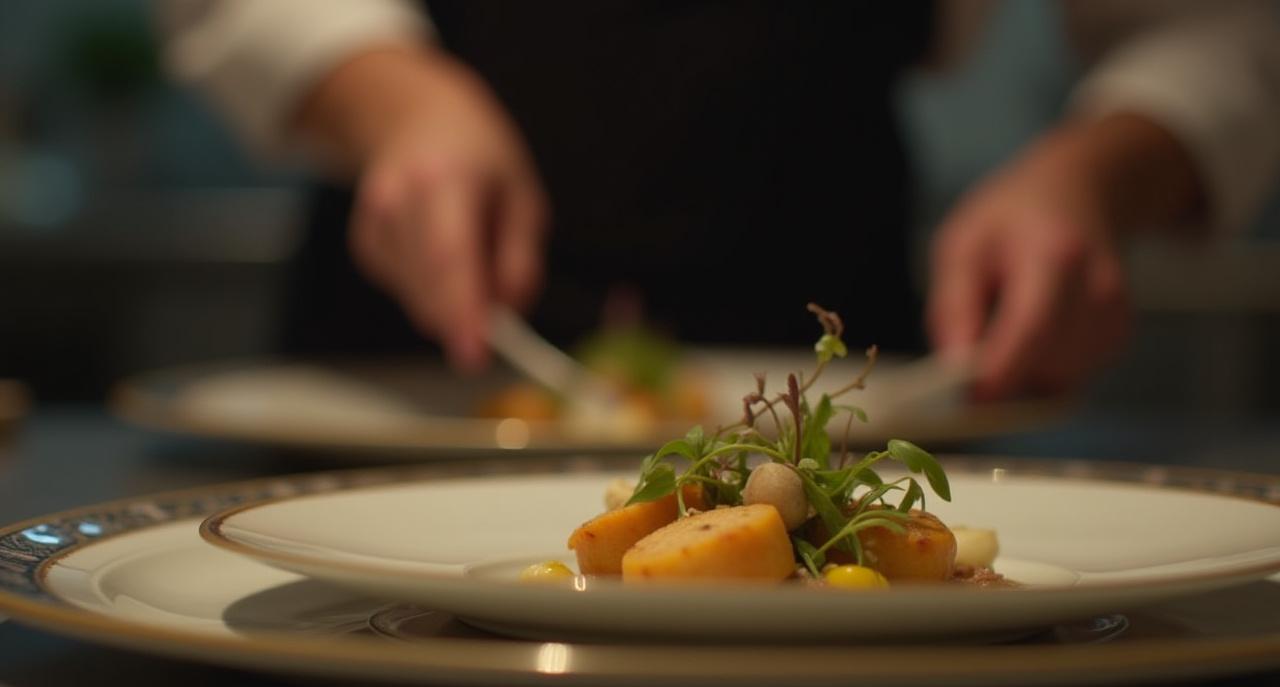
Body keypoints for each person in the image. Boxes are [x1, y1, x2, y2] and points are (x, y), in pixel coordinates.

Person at [157, 0, 1280, 400]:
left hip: (845, 350)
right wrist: (393, 103)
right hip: (407, 353)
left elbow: (1217, 25)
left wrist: (1090, 171)